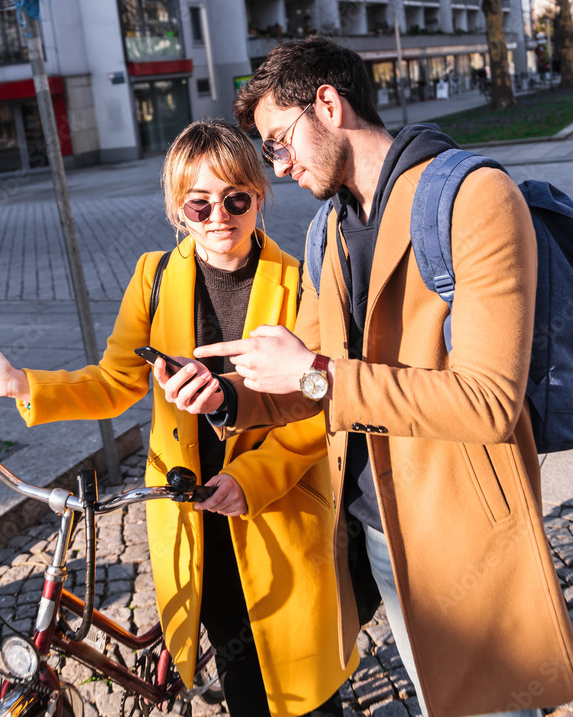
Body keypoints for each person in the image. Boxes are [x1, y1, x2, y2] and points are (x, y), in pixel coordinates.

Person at [159, 40, 573, 717]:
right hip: (373, 531)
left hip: (458, 537)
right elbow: (309, 385)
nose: (279, 165)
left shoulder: (473, 197)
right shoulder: (330, 225)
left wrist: (315, 370)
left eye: (280, 141)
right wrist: (231, 395)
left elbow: (489, 402)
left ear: (329, 104)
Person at [0, 119, 356, 717]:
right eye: (199, 202)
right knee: (239, 663)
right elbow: (114, 382)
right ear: (177, 209)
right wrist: (21, 384)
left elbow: (315, 411)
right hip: (192, 512)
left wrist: (253, 479)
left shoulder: (302, 283)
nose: (219, 215)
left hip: (276, 508)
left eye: (235, 198)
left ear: (258, 197)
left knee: (305, 682)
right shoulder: (154, 277)